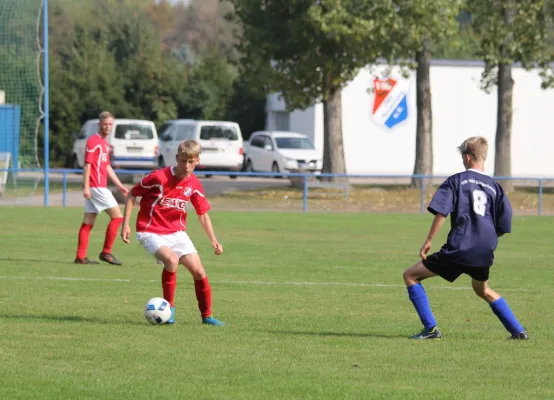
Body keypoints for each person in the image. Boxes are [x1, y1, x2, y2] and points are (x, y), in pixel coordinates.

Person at [402, 136, 528, 340]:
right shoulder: (496, 187)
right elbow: (503, 226)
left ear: (468, 158)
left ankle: (431, 329)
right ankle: (518, 331)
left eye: (463, 157)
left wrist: (428, 241)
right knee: (483, 290)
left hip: (460, 247)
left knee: (410, 275)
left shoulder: (456, 181)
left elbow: (441, 212)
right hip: (484, 249)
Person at [120, 140, 225, 326]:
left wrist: (214, 240)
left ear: (198, 161)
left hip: (177, 232)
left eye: (191, 162)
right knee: (171, 260)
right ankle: (170, 310)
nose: (186, 166)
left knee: (199, 271)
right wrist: (125, 224)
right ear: (177, 158)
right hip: (149, 230)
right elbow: (132, 194)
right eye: (183, 161)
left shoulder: (193, 183)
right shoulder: (158, 177)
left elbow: (203, 215)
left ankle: (207, 316)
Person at [75, 111, 128, 265]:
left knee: (88, 222)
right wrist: (86, 187)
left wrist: (119, 185)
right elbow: (87, 165)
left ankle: (80, 256)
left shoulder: (105, 144)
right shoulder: (93, 142)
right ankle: (106, 252)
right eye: (105, 124)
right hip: (96, 186)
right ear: (99, 124)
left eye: (110, 124)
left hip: (97, 186)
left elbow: (107, 166)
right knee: (118, 217)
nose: (107, 127)